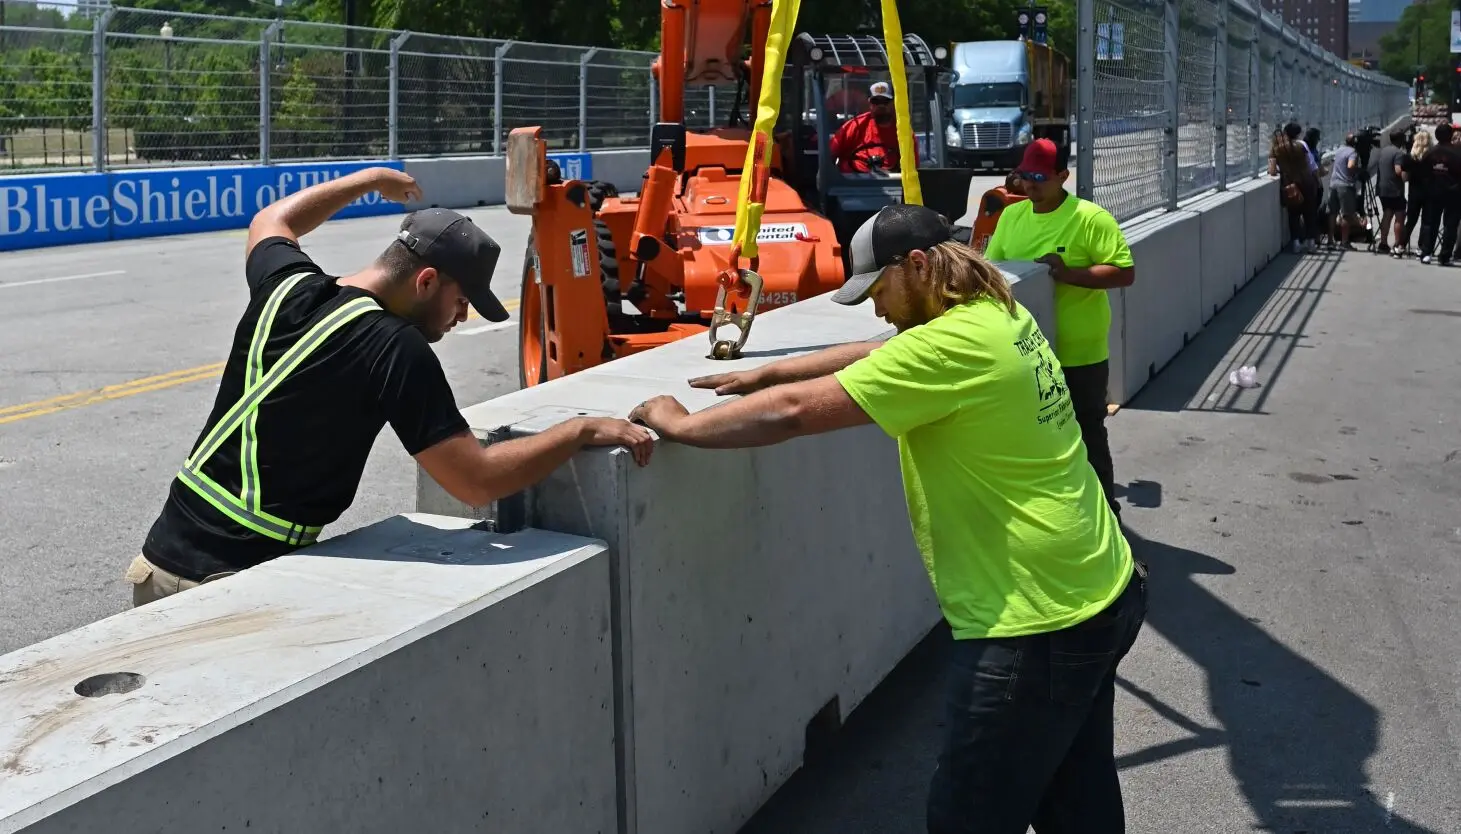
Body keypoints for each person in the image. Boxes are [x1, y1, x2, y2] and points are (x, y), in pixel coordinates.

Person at [628, 203, 1146, 834]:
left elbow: (794, 413)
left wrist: (678, 424)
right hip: (1099, 589)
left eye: (877, 289)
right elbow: (883, 349)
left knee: (967, 817)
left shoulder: (951, 348)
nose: (875, 305)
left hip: (1033, 627)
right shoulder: (996, 312)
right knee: (1078, 802)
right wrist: (769, 369)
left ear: (920, 265)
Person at [125, 166, 654, 606]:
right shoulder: (393, 347)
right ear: (426, 282)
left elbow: (273, 219)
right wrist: (578, 430)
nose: (461, 316)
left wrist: (368, 181)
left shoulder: (288, 284)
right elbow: (475, 480)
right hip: (226, 588)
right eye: (461, 299)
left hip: (156, 566)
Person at [982, 138, 1135, 518]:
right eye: (1023, 176)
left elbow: (1124, 272)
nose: (1029, 186)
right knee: (1034, 439)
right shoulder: (1013, 217)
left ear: (1063, 176)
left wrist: (1068, 274)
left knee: (1086, 434)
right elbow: (992, 269)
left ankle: (1107, 518)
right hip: (1026, 355)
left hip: (1079, 354)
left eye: (1038, 177)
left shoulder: (1090, 218)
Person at [829, 80, 918, 174]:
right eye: (876, 101)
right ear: (870, 104)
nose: (881, 106)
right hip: (853, 182)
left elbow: (912, 168)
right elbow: (830, 153)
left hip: (890, 182)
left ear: (894, 103)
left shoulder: (904, 132)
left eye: (885, 101)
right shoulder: (855, 125)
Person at [1268, 122, 1321, 254]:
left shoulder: (1276, 149)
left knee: (1294, 214)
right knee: (1310, 213)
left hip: (1291, 184)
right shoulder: (1301, 145)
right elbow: (1312, 165)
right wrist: (1318, 180)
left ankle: (1296, 243)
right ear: (1297, 134)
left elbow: (1272, 170)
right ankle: (1311, 243)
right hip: (1307, 181)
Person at [1416, 122, 1461, 265]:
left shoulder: (1430, 153)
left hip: (1433, 193)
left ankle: (1426, 252)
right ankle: (1445, 256)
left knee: (1430, 223)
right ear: (1450, 135)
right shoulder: (1457, 153)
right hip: (1454, 193)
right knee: (1450, 225)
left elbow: (1422, 174)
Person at [1395, 127, 1433, 259]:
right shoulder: (1432, 157)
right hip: (1429, 193)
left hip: (1414, 192)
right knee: (1426, 222)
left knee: (1410, 220)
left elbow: (1404, 178)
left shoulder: (1409, 158)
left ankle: (1400, 247)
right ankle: (1421, 248)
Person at [1371, 128, 1409, 254]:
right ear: (1400, 140)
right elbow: (1398, 170)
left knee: (1387, 214)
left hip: (1382, 188)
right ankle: (1397, 244)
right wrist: (1407, 176)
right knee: (1399, 216)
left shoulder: (1384, 151)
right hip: (1395, 190)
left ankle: (1383, 242)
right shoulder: (1399, 153)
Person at [1326, 133, 1363, 250]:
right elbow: (1351, 166)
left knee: (1332, 213)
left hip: (1333, 184)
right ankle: (1344, 242)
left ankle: (1330, 241)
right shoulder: (1352, 152)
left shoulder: (1339, 150)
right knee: (1346, 215)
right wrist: (1359, 170)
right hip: (1345, 186)